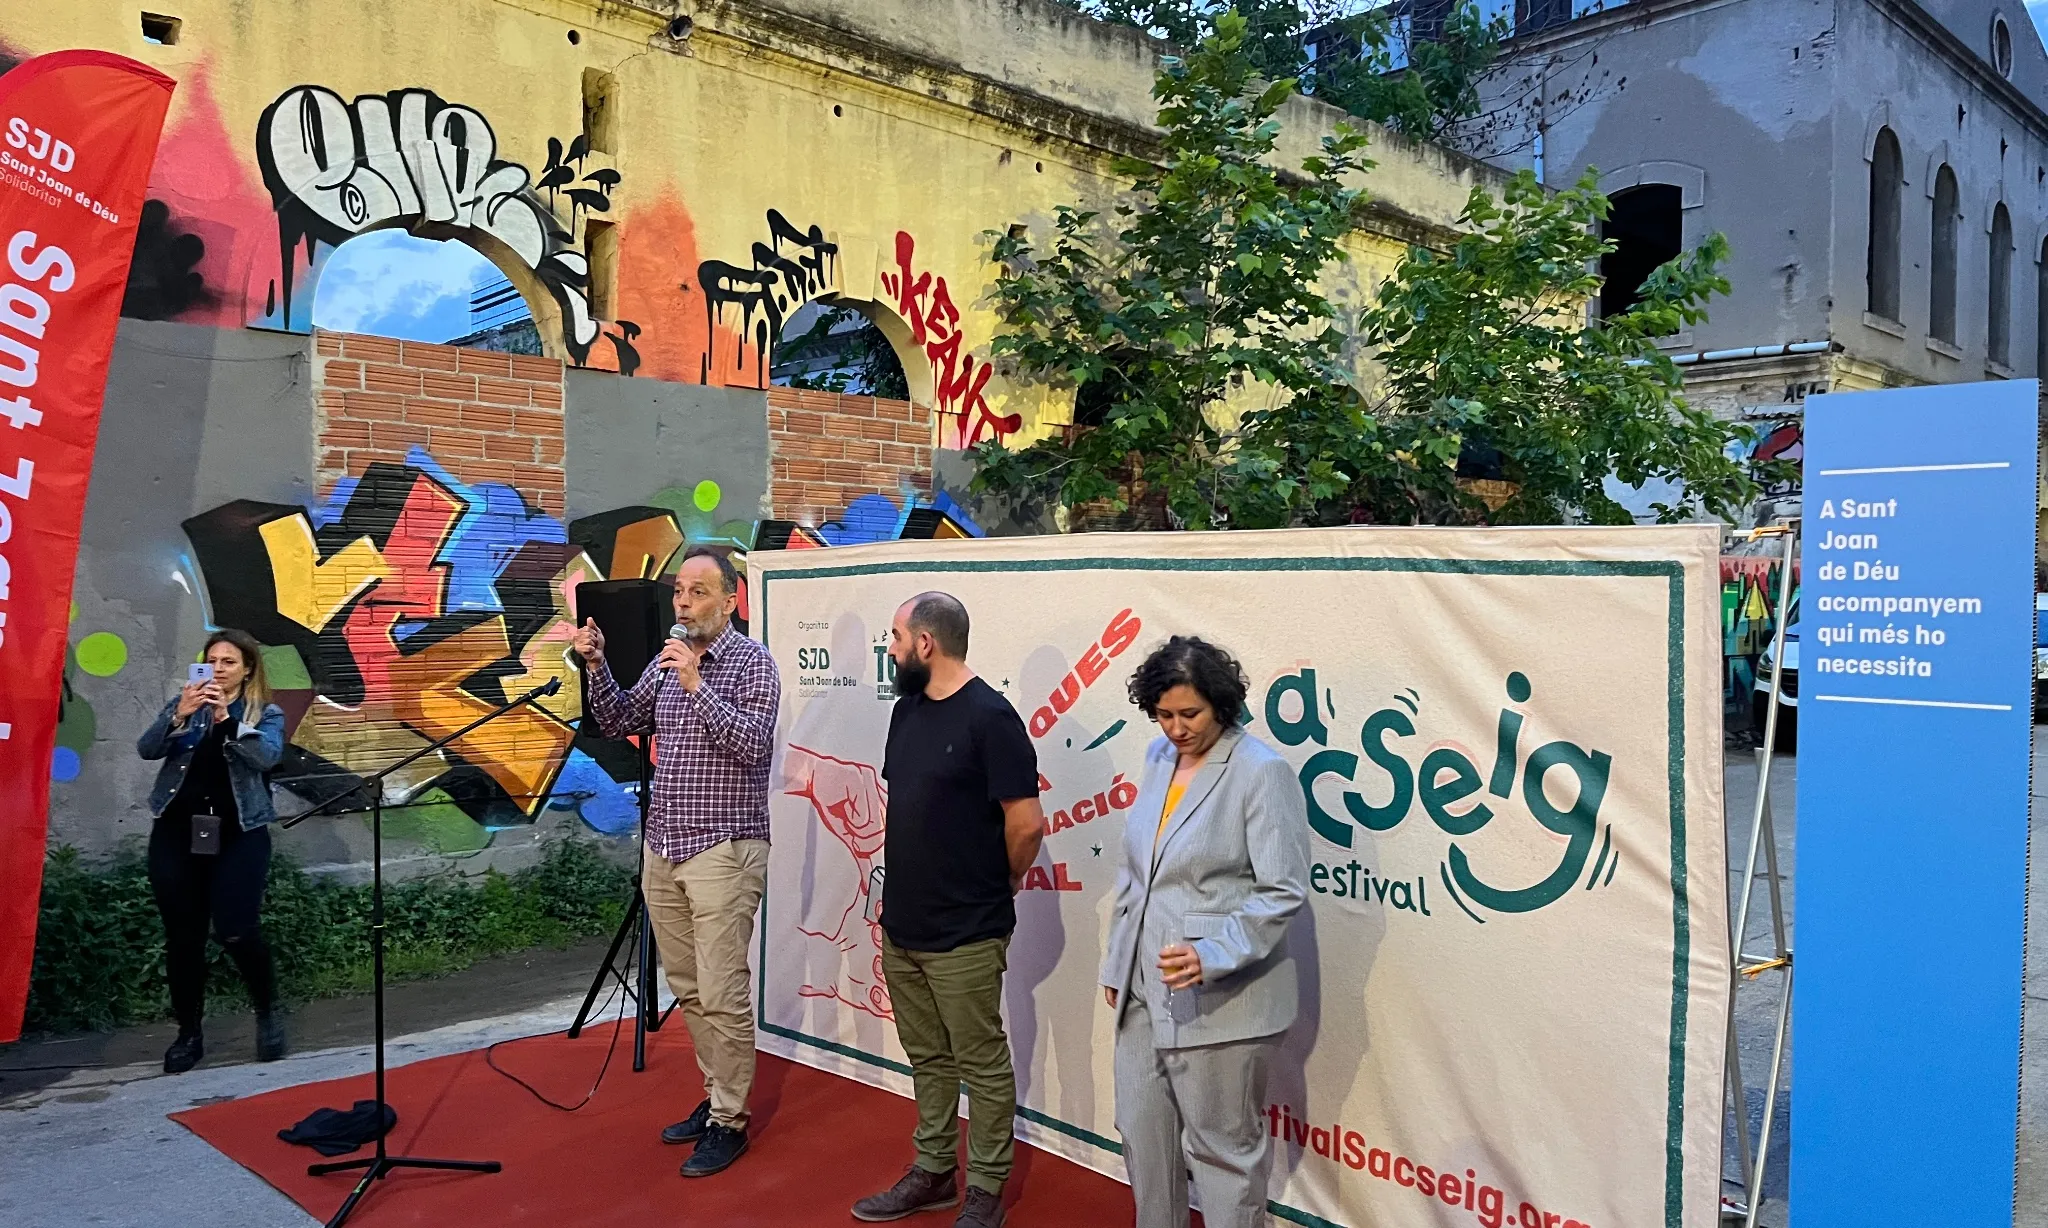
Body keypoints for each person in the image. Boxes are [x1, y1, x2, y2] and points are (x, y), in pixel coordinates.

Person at [574, 546, 780, 1178]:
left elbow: (751, 746)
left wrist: (697, 683)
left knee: (723, 991)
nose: (682, 603)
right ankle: (717, 1097)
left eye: (696, 592)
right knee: (689, 990)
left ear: (730, 599)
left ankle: (730, 1121)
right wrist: (598, 664)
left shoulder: (752, 664)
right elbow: (616, 719)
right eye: (678, 593)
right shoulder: (666, 665)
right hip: (663, 849)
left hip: (724, 850)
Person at [1100, 636, 1310, 1228]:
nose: (1176, 728)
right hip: (1143, 994)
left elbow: (1283, 888)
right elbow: (1137, 872)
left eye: (1188, 714)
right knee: (1144, 1139)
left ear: (1221, 703)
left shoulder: (1261, 772)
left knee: (1223, 1155)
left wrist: (1212, 954)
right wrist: (1118, 965)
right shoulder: (1156, 758)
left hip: (1222, 998)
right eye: (1164, 714)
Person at [852, 593, 1044, 1228]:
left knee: (981, 1062)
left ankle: (986, 1190)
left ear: (926, 644)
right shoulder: (906, 710)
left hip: (966, 931)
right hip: (902, 924)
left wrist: (1003, 881)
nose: (891, 648)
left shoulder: (992, 718)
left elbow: (1026, 823)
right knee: (928, 1057)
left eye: (896, 637)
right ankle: (933, 1172)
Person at [135, 628, 290, 1074]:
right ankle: (189, 1034)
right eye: (212, 661)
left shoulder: (266, 713)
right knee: (183, 938)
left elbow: (267, 758)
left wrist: (228, 721)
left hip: (240, 833)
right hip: (176, 833)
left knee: (237, 929)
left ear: (247, 670)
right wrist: (177, 717)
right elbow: (147, 749)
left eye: (228, 663)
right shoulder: (186, 704)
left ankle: (267, 1010)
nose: (218, 670)